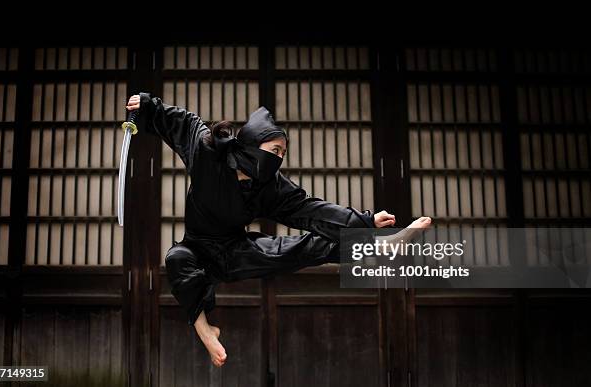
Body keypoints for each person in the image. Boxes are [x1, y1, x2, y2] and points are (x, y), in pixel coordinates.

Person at [126, 94, 432, 367]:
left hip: (236, 252)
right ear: (252, 144)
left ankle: (379, 245)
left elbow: (312, 210)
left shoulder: (270, 186)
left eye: (283, 153)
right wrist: (149, 106)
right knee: (176, 259)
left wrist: (365, 222)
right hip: (196, 247)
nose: (279, 158)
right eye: (275, 149)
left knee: (306, 247)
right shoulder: (209, 154)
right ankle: (206, 330)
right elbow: (181, 121)